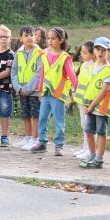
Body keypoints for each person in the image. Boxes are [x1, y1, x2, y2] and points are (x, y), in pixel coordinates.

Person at [30, 27, 78, 156]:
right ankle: (42, 143)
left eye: (53, 39)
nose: (50, 41)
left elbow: (72, 75)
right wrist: (40, 90)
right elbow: (43, 74)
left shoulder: (65, 57)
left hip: (58, 94)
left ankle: (59, 145)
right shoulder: (45, 55)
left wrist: (76, 89)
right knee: (42, 118)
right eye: (48, 38)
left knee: (58, 121)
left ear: (61, 40)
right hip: (46, 93)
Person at [79, 37, 110, 169]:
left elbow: (104, 91)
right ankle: (92, 155)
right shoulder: (92, 67)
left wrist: (91, 106)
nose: (100, 52)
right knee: (89, 131)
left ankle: (99, 159)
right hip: (90, 105)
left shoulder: (109, 69)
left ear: (109, 51)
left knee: (101, 133)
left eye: (103, 50)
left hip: (101, 107)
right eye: (97, 49)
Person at [10, 25, 42, 150]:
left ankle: (35, 139)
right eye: (26, 35)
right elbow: (14, 72)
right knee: (26, 115)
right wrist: (18, 88)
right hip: (21, 90)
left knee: (35, 115)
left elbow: (39, 74)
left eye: (32, 35)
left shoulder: (39, 53)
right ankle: (27, 137)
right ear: (21, 38)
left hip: (33, 91)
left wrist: (28, 89)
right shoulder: (18, 53)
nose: (29, 38)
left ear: (35, 37)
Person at [72, 41, 95, 160]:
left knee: (89, 126)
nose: (82, 55)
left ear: (93, 54)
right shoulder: (84, 66)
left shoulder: (93, 67)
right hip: (81, 100)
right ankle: (85, 147)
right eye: (82, 52)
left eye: (85, 53)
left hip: (88, 102)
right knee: (83, 125)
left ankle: (90, 150)